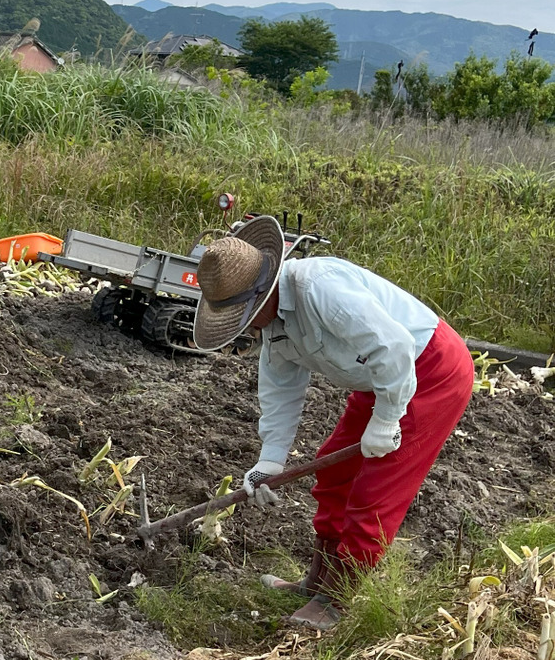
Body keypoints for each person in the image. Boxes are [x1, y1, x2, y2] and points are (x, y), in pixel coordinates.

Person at [192, 216, 474, 631]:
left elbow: (394, 346)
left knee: (376, 488)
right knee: (334, 468)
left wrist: (387, 419)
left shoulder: (319, 288)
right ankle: (315, 581)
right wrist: (269, 461)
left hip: (429, 369)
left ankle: (335, 600)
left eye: (244, 313)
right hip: (380, 378)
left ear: (263, 292)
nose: (246, 324)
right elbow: (280, 393)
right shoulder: (274, 327)